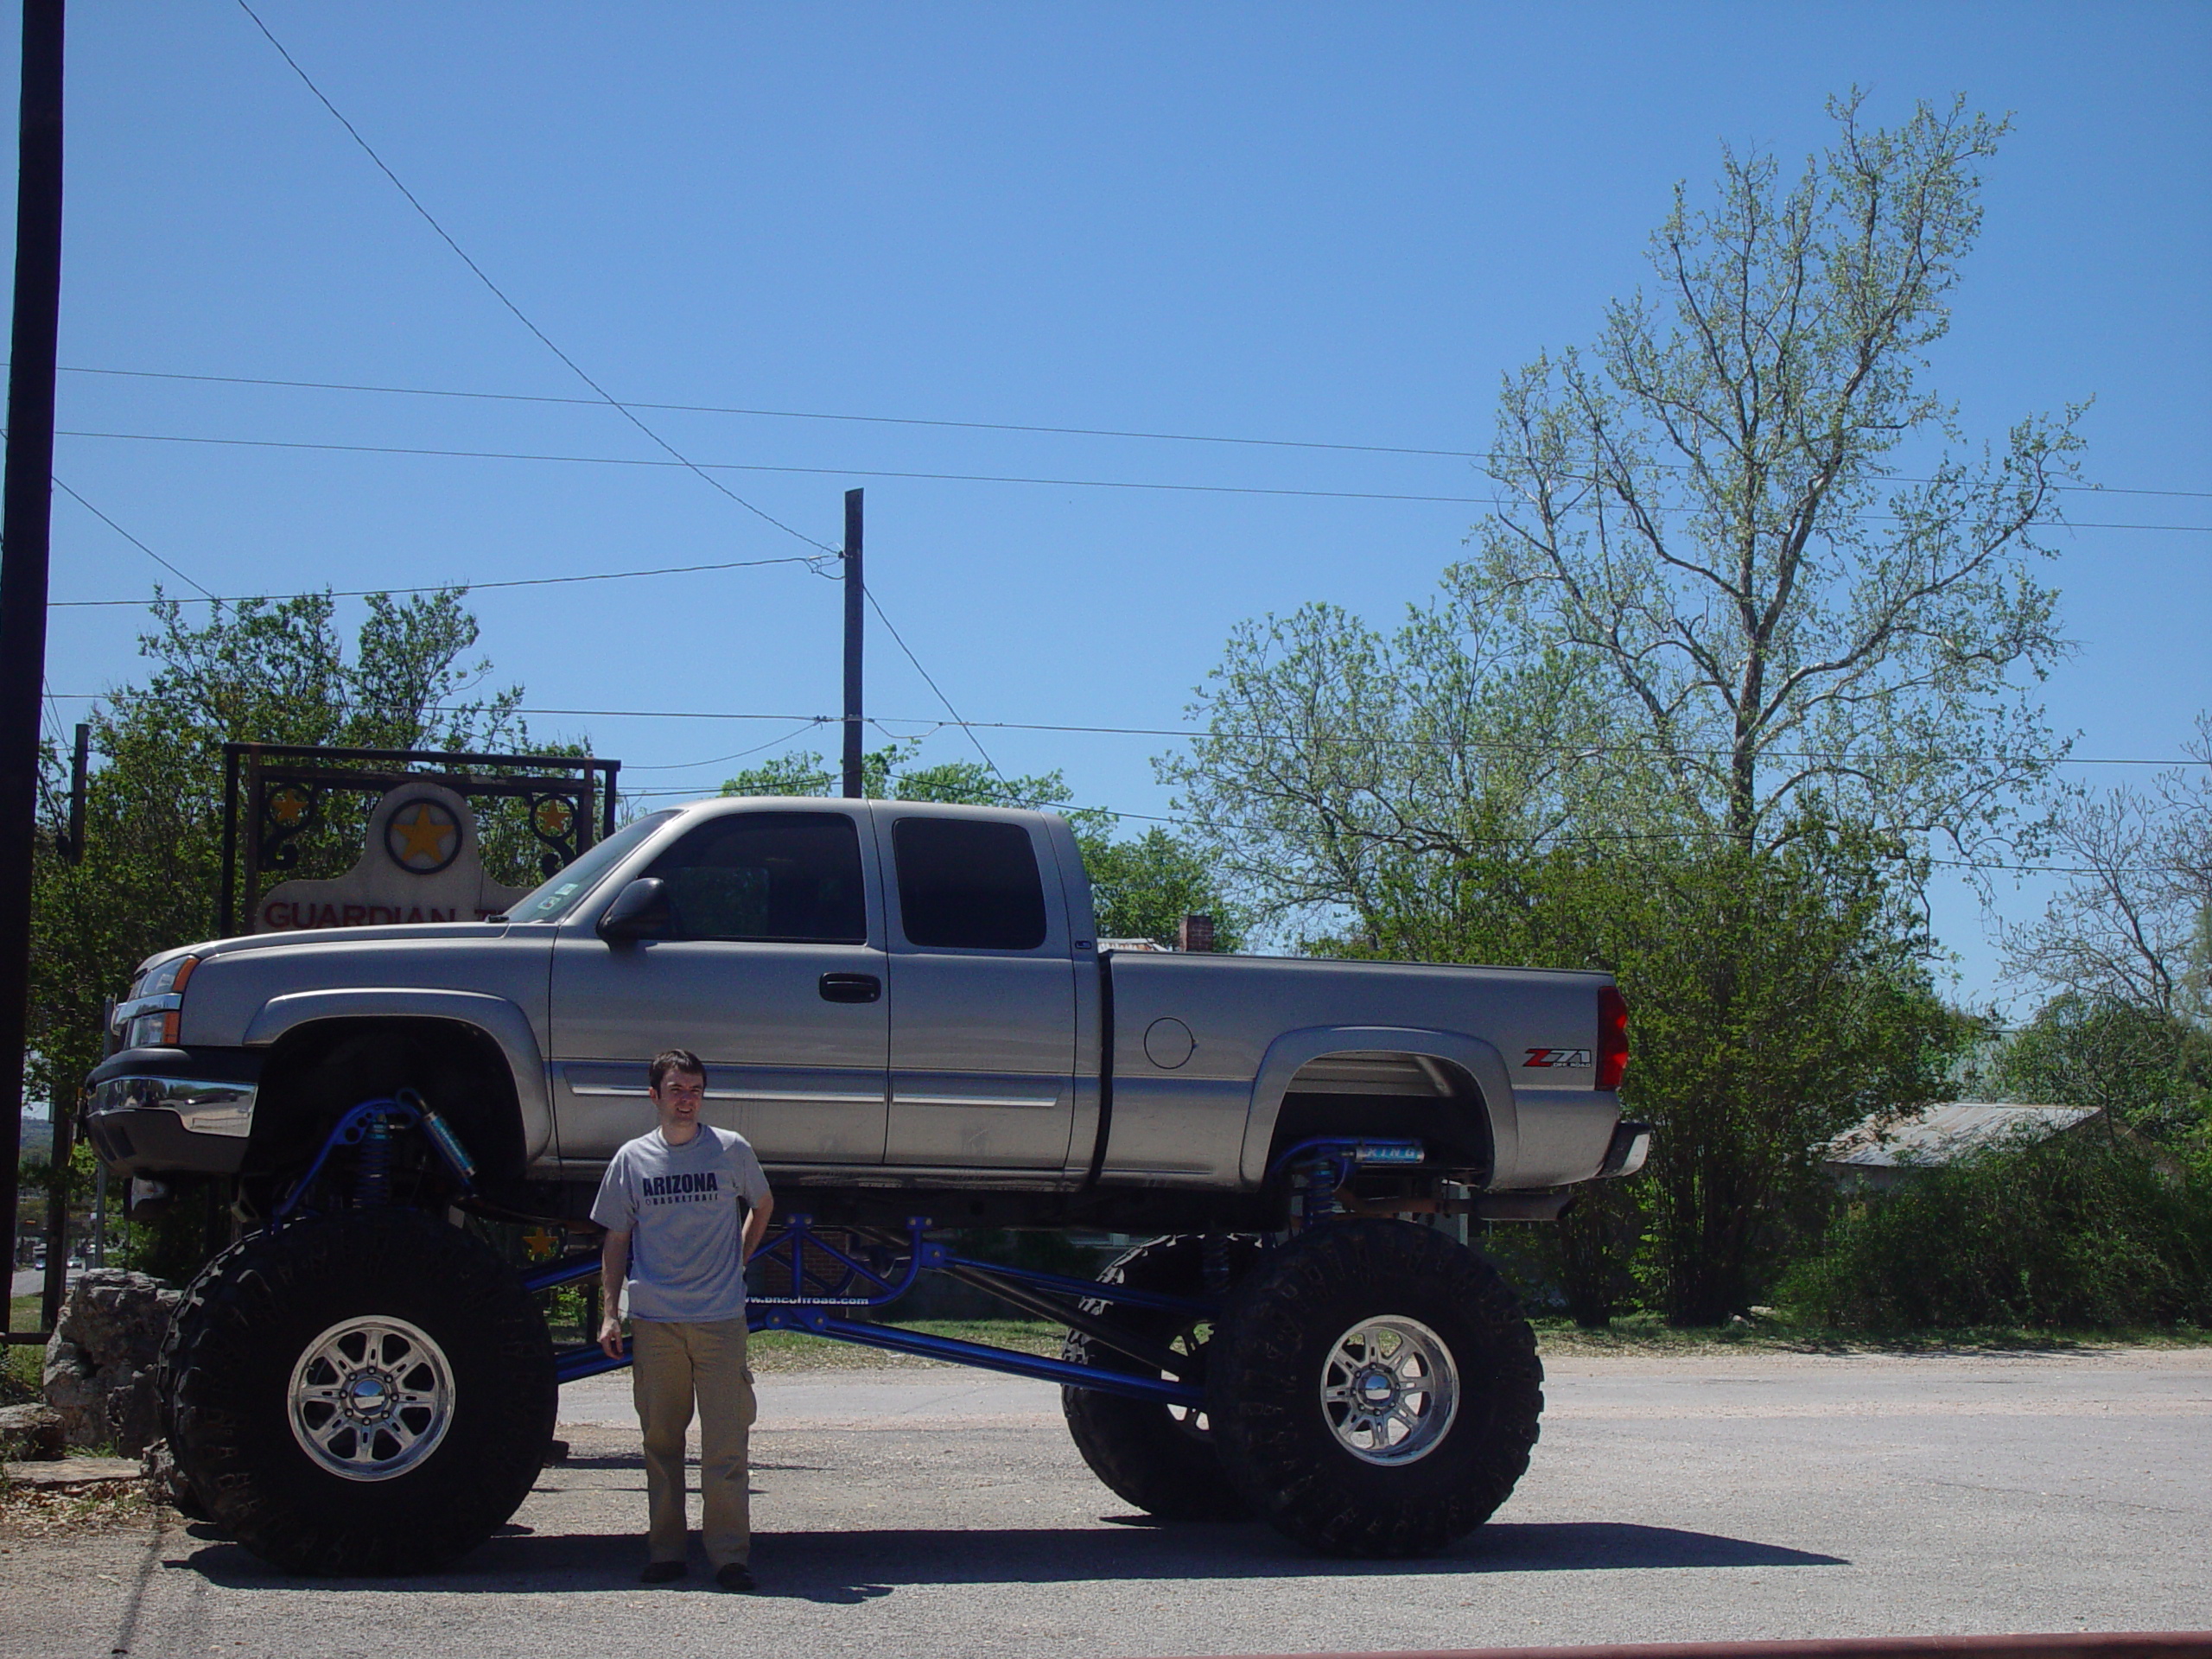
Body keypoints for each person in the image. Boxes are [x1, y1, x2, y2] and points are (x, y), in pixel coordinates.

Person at [593, 1048, 774, 1591]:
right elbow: (616, 1238)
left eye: (694, 1089)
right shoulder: (632, 1160)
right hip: (656, 1322)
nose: (687, 1098)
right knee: (661, 1443)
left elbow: (762, 1205)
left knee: (726, 1447)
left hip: (720, 1321)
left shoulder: (730, 1151)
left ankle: (729, 1558)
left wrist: (738, 1258)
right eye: (676, 1089)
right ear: (655, 1096)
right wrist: (610, 1313)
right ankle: (667, 1553)